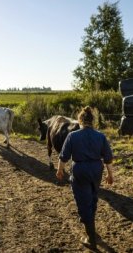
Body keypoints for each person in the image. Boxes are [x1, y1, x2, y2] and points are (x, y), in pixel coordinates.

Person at [56, 106, 114, 250]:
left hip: (80, 171)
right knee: (93, 197)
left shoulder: (73, 136)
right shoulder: (100, 136)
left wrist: (59, 170)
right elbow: (108, 158)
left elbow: (63, 157)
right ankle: (91, 226)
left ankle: (91, 239)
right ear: (92, 121)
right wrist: (110, 174)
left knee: (83, 202)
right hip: (96, 171)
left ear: (80, 120)